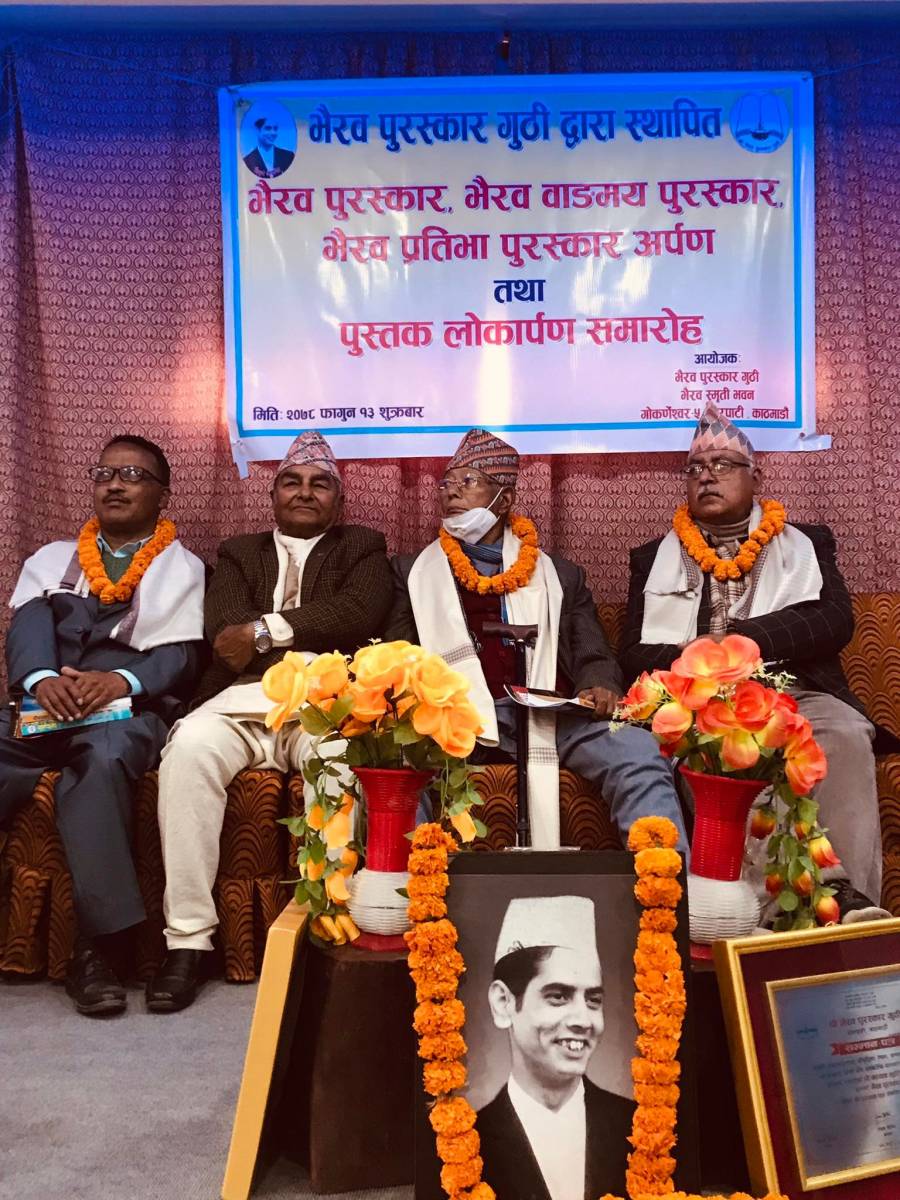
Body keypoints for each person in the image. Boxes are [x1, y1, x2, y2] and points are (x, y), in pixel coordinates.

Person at [149, 431, 393, 1012]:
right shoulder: (239, 552)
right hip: (239, 700)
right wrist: (273, 633)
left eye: (320, 484)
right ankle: (188, 941)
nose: (304, 492)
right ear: (273, 494)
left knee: (338, 759)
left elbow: (358, 612)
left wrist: (266, 630)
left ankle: (329, 922)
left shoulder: (363, 547)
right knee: (188, 751)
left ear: (339, 500)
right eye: (292, 482)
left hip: (321, 704)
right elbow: (223, 632)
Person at [621, 402, 895, 918]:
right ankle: (766, 917)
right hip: (704, 701)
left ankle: (850, 909)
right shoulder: (651, 558)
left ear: (756, 477)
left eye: (722, 466)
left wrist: (741, 641)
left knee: (843, 733)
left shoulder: (807, 542)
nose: (707, 478)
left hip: (800, 690)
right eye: (695, 470)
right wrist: (700, 658)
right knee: (735, 746)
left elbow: (832, 620)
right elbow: (633, 653)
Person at [385, 428, 687, 851]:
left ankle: (668, 882)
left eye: (468, 482)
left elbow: (593, 650)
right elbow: (396, 653)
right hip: (451, 719)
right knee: (392, 757)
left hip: (551, 715)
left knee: (638, 751)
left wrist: (599, 684)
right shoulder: (411, 572)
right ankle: (405, 885)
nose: (451, 492)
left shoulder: (560, 575)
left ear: (504, 500)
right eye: (447, 483)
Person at [0, 435, 205, 1015]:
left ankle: (98, 951)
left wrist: (122, 681)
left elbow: (184, 654)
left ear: (163, 494)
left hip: (126, 714)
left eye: (133, 475)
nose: (115, 484)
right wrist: (42, 678)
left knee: (104, 763)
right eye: (105, 473)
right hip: (42, 706)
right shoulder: (50, 559)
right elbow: (27, 629)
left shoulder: (183, 567)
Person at [477, 895, 634, 1200]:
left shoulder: (638, 1128)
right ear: (503, 1003)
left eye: (593, 1000)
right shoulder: (465, 1141)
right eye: (558, 996)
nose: (583, 1020)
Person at [243, 115, 295, 179]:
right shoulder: (248, 160)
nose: (273, 133)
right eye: (268, 128)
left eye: (275, 129)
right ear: (258, 131)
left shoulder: (288, 156)